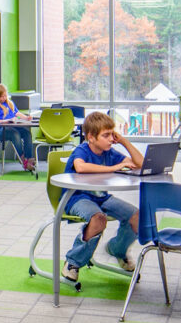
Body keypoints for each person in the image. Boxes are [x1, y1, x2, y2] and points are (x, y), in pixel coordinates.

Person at [61, 111, 145, 279]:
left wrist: (123, 141)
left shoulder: (109, 152)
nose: (110, 139)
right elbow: (81, 167)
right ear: (91, 137)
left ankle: (117, 249)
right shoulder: (82, 150)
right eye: (106, 135)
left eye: (112, 135)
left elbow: (139, 163)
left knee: (136, 216)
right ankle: (73, 262)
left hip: (101, 198)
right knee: (98, 219)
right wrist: (114, 168)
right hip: (77, 198)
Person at [0, 84, 35, 172]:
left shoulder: (10, 103)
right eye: (2, 96)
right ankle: (22, 158)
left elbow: (17, 114)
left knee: (27, 133)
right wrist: (8, 120)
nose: (4, 98)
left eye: (5, 95)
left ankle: (29, 159)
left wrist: (26, 118)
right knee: (15, 134)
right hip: (1, 130)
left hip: (13, 127)